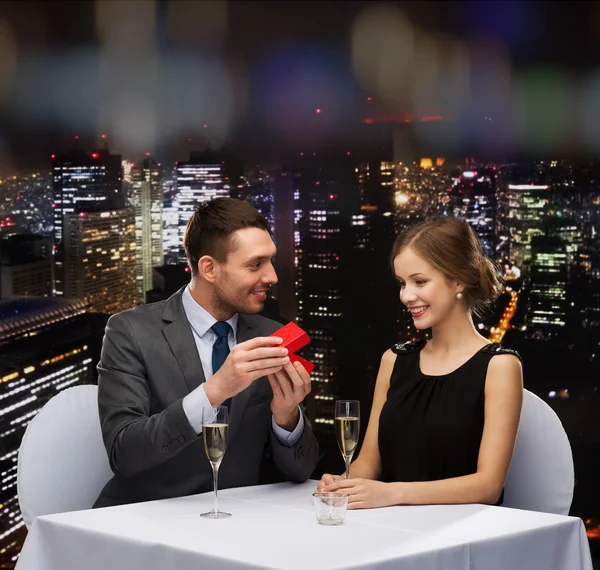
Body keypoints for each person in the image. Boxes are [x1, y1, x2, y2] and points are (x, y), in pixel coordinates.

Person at [94, 198, 319, 507]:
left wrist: (287, 417)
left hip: (238, 523)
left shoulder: (271, 334)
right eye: (255, 264)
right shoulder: (129, 332)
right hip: (147, 522)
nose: (272, 277)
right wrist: (214, 391)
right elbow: (124, 453)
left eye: (270, 261)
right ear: (209, 268)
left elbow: (301, 470)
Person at [318, 216, 523, 509]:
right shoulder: (394, 360)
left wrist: (392, 493)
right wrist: (342, 482)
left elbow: (487, 486)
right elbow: (367, 464)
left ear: (459, 279)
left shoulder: (499, 367)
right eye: (402, 283)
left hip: (463, 538)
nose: (406, 296)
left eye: (419, 281)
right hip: (388, 526)